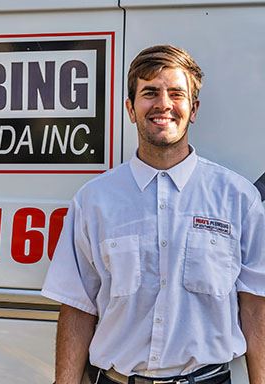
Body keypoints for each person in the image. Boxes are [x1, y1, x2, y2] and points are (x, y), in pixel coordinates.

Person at [42, 45, 265, 384]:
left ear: (193, 109)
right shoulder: (94, 201)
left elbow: (255, 307)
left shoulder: (237, 199)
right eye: (150, 93)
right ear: (131, 109)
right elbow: (77, 307)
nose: (163, 104)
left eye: (176, 93)